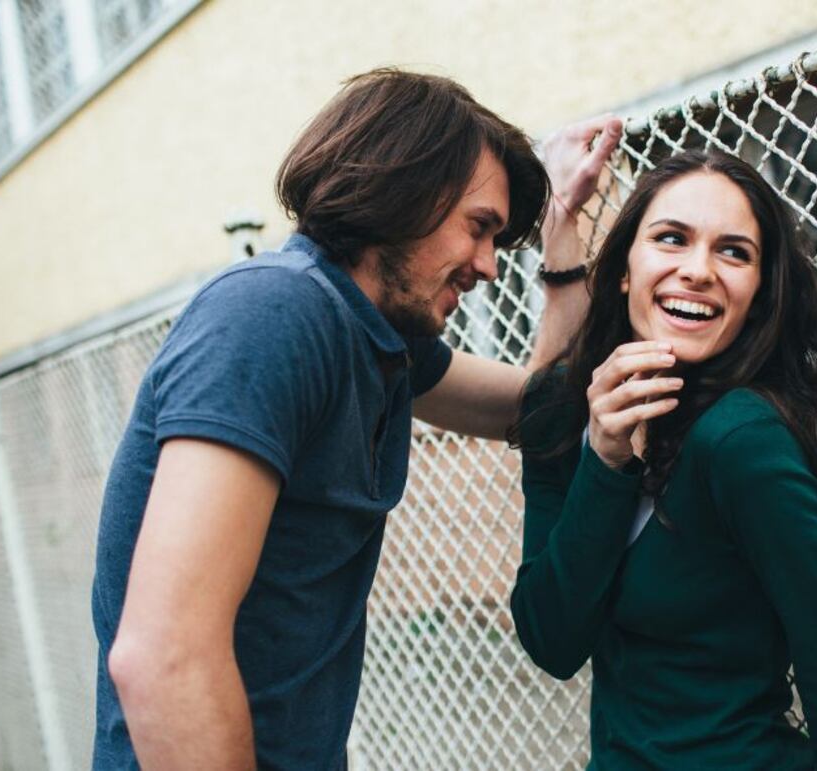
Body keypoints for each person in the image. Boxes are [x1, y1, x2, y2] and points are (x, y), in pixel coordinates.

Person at [91, 68, 622, 769]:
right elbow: (164, 655)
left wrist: (561, 235)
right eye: (479, 228)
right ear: (405, 191)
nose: (490, 267)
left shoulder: (374, 340)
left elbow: (539, 407)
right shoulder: (273, 316)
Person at [509, 149, 817, 769]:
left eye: (733, 251)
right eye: (671, 238)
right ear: (623, 270)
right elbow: (551, 640)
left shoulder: (742, 440)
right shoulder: (561, 409)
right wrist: (605, 462)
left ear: (758, 293)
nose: (698, 270)